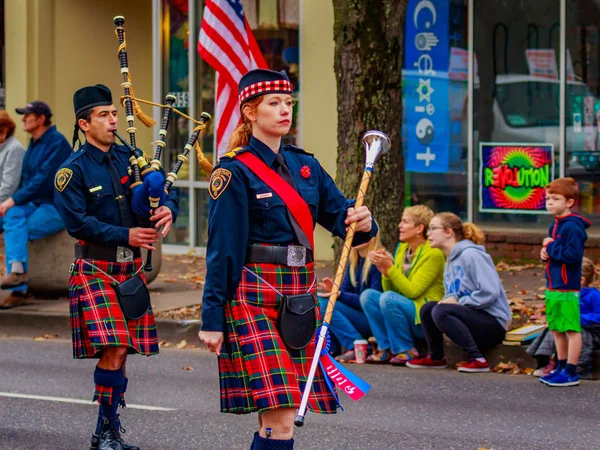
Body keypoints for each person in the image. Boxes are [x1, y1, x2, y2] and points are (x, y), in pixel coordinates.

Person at [198, 69, 377, 450]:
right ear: (250, 112)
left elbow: (344, 221)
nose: (285, 111)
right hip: (252, 296)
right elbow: (222, 251)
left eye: (289, 103)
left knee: (276, 420)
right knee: (281, 414)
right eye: (274, 103)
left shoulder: (305, 165)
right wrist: (212, 318)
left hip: (299, 293)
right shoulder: (234, 171)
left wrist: (364, 219)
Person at [54, 84, 179, 450]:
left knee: (121, 351)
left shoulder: (131, 157)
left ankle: (103, 431)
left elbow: (156, 195)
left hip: (130, 271)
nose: (113, 120)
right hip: (95, 268)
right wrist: (126, 232)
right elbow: (76, 223)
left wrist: (166, 206)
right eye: (104, 115)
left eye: (113, 113)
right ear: (84, 123)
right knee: (115, 348)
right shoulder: (71, 171)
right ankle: (108, 431)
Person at [406, 213, 511, 373]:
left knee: (441, 310)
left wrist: (459, 302)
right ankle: (436, 358)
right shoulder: (450, 260)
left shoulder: (471, 255)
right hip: (473, 319)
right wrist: (450, 300)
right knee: (428, 309)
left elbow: (490, 291)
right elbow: (453, 293)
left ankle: (477, 359)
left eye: (433, 229)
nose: (428, 234)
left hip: (493, 324)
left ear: (448, 232)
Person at [0, 101, 71, 308]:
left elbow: (43, 180)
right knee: (12, 216)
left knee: (16, 229)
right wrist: (12, 204)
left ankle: (18, 286)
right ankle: (18, 275)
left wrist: (12, 199)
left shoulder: (57, 142)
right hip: (36, 203)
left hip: (57, 207)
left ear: (41, 119)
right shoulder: (34, 142)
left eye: (27, 115)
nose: (22, 118)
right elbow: (27, 179)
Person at [359, 205, 445, 365]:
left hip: (422, 319)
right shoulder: (402, 248)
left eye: (405, 222)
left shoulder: (434, 254)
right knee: (368, 296)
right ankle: (386, 348)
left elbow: (412, 291)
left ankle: (406, 349)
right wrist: (384, 271)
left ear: (419, 228)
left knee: (388, 298)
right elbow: (391, 291)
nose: (400, 225)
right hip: (404, 309)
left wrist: (390, 268)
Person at [538, 178, 590, 387]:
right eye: (548, 198)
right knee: (557, 329)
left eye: (555, 199)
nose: (549, 202)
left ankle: (571, 370)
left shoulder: (573, 227)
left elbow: (573, 255)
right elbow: (555, 253)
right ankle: (559, 366)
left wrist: (550, 248)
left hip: (567, 286)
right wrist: (545, 254)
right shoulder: (555, 224)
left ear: (569, 202)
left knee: (570, 329)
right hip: (553, 285)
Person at [528, 257, 600, 380]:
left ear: (581, 280)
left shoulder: (594, 295)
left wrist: (577, 318)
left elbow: (598, 317)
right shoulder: (565, 295)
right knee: (554, 328)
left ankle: (575, 368)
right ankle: (549, 362)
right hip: (569, 326)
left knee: (573, 331)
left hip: (592, 332)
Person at [317, 232, 383, 363]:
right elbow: (345, 294)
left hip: (373, 322)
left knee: (328, 303)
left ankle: (357, 347)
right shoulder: (354, 262)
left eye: (362, 233)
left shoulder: (378, 261)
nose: (357, 237)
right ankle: (332, 349)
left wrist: (339, 293)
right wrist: (335, 291)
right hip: (356, 317)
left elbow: (371, 303)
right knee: (322, 301)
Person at [0, 111, 25, 234]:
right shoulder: (2, 148)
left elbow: (8, 186)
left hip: (9, 206)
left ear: (5, 130)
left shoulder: (14, 149)